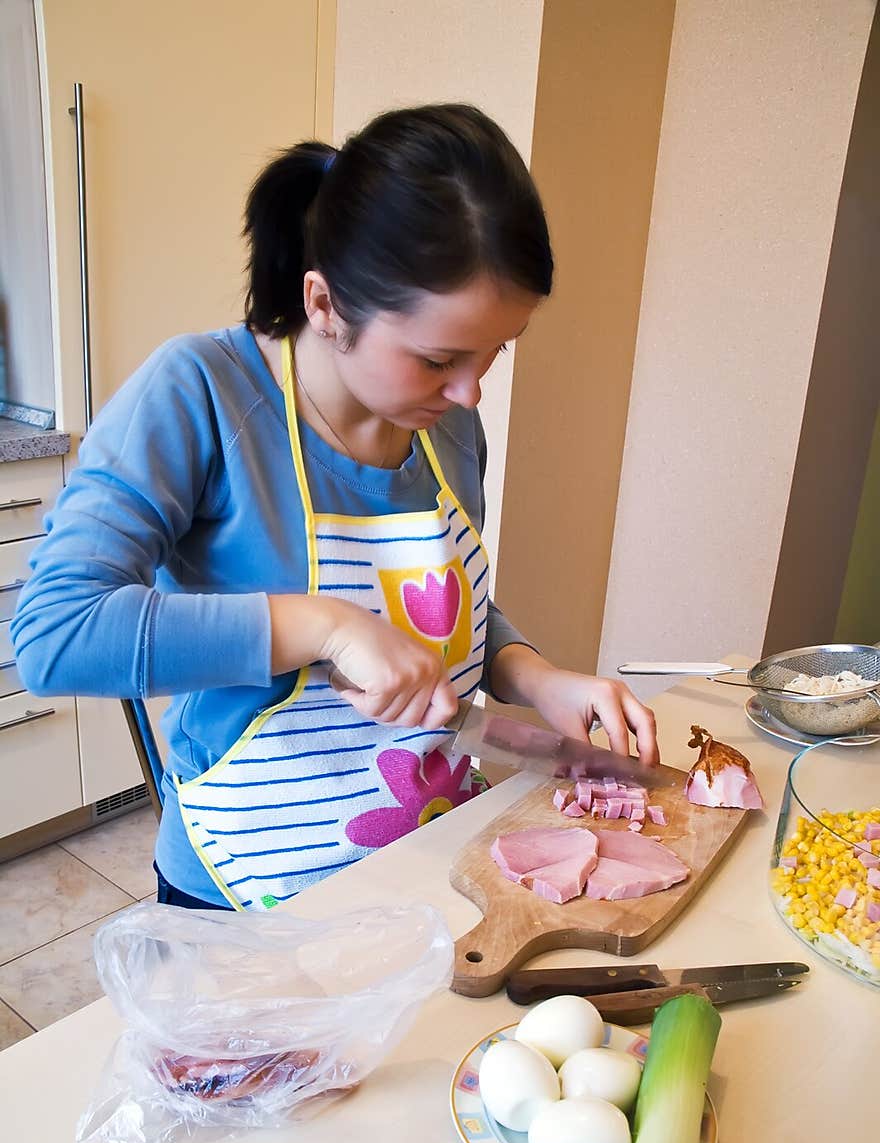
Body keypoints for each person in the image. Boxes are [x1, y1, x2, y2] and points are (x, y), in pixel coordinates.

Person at [12, 103, 657, 912]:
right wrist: (327, 627)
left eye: (495, 353)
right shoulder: (203, 393)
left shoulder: (447, 427)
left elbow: (441, 610)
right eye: (438, 358)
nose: (471, 391)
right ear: (324, 305)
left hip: (427, 852)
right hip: (250, 896)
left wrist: (536, 676)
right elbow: (55, 633)